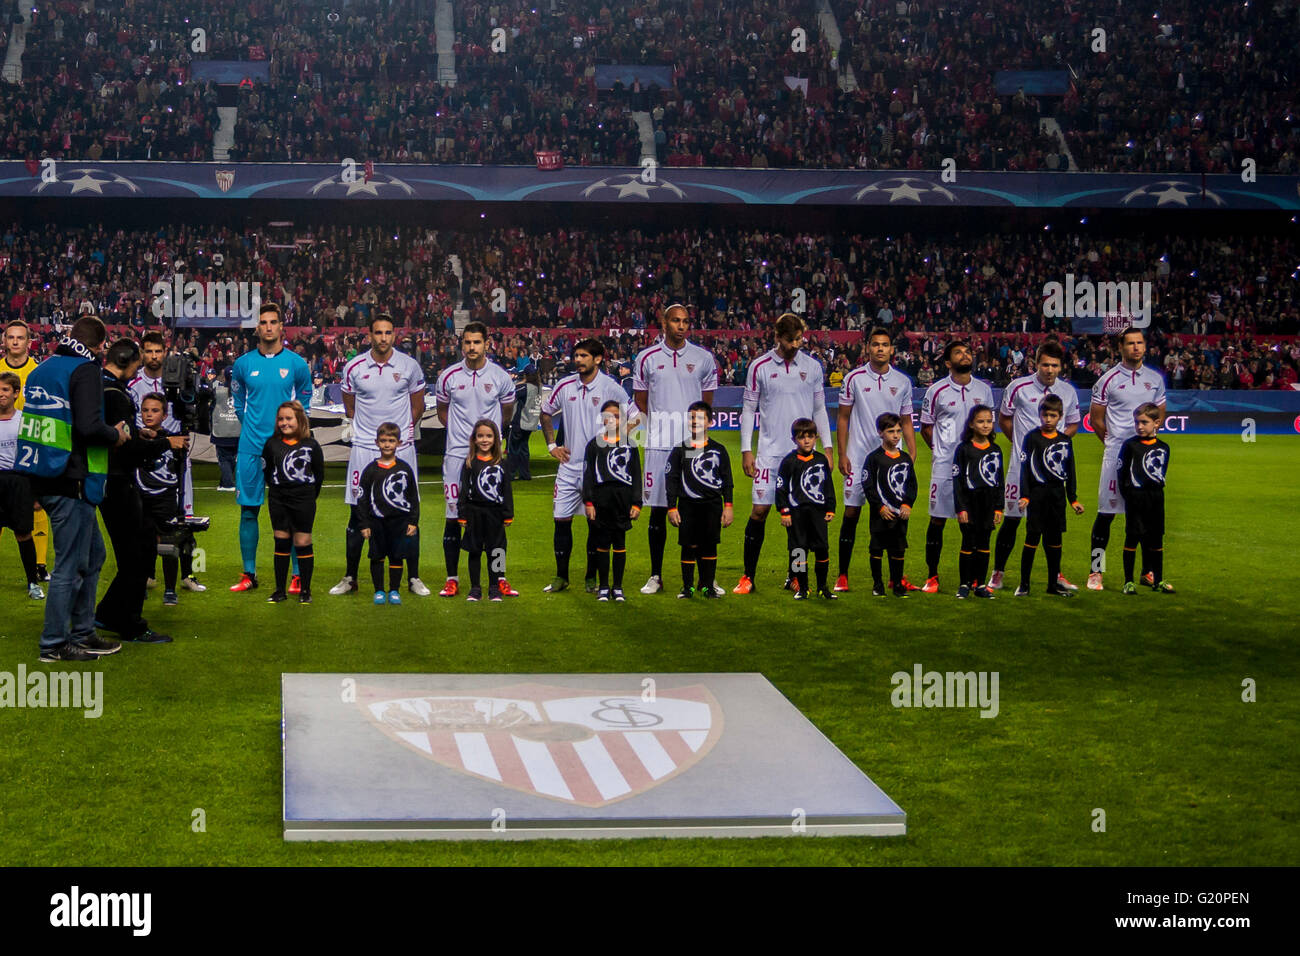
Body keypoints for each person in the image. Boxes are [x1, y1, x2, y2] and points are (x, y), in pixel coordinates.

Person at [15, 316, 129, 661]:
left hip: (44, 474)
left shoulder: (42, 369)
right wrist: (117, 434)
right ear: (100, 345)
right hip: (71, 478)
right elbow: (89, 426)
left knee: (93, 555)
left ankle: (82, 632)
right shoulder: (85, 370)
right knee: (69, 564)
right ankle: (54, 643)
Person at [331, 314, 428, 597]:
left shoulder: (410, 366)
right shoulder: (354, 367)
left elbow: (418, 406)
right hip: (364, 449)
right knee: (357, 513)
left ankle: (414, 578)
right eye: (378, 333)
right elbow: (350, 406)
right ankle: (350, 577)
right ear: (369, 335)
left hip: (402, 449)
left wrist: (399, 439)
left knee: (408, 512)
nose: (383, 338)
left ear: (394, 335)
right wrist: (365, 434)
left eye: (388, 332)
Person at [735, 313, 832, 594]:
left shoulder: (813, 367)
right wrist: (746, 449)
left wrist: (826, 447)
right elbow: (748, 409)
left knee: (799, 518)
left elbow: (819, 409)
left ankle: (794, 576)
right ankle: (748, 576)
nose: (795, 345)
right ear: (777, 337)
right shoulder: (759, 366)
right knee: (760, 511)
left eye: (799, 339)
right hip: (769, 452)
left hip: (802, 456)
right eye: (790, 340)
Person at [95, 339, 181, 645]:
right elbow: (128, 450)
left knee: (141, 544)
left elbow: (120, 435)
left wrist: (137, 431)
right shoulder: (117, 394)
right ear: (129, 361)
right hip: (118, 482)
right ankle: (130, 624)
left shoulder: (98, 385)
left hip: (105, 480)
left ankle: (106, 612)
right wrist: (164, 443)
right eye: (137, 361)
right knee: (136, 555)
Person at [632, 303, 718, 595]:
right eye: (676, 321)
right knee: (657, 512)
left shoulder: (703, 358)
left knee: (698, 511)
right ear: (664, 322)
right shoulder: (646, 358)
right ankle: (655, 575)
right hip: (658, 444)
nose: (682, 326)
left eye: (685, 322)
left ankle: (706, 577)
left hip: (693, 446)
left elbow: (706, 403)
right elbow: (641, 400)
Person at [229, 303, 312, 593]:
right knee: (249, 510)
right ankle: (249, 574)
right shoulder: (243, 364)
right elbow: (238, 401)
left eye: (273, 322)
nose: (267, 327)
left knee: (290, 513)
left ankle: (297, 575)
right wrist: (249, 425)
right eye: (262, 322)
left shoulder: (296, 364)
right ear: (257, 328)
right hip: (251, 447)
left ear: (281, 327)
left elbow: (305, 397)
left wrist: (293, 429)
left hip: (287, 450)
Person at [539, 338, 633, 593]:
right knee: (561, 521)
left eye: (583, 356)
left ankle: (591, 577)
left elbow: (634, 416)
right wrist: (551, 445)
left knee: (596, 524)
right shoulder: (565, 385)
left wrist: (614, 443)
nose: (577, 360)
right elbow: (545, 411)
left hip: (598, 470)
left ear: (598, 359)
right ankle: (561, 576)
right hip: (569, 466)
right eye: (576, 356)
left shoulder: (611, 388)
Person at [990, 340, 1080, 591]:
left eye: (1054, 365)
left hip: (1051, 475)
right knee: (1011, 520)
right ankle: (998, 572)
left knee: (1052, 526)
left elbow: (1072, 424)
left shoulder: (1068, 392)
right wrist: (1025, 448)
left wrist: (1053, 448)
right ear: (1035, 364)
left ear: (1061, 366)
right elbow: (1005, 420)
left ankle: (1056, 574)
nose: (1050, 370)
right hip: (1020, 470)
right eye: (1045, 365)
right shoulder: (1017, 387)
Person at [433, 322, 513, 598]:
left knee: (497, 522)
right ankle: (452, 577)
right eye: (467, 342)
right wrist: (460, 439)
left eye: (476, 342)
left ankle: (499, 576)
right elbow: (443, 411)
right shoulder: (448, 377)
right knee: (454, 517)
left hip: (491, 458)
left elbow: (507, 413)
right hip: (457, 455)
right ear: (461, 344)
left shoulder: (501, 377)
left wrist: (490, 443)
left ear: (487, 344)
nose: (471, 347)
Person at [834, 327, 916, 592]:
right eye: (876, 344)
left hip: (892, 461)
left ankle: (893, 577)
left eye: (885, 345)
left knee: (894, 517)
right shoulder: (853, 378)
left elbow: (906, 420)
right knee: (852, 512)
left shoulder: (903, 381)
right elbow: (843, 417)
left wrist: (911, 451)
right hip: (859, 457)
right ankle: (842, 575)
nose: (880, 349)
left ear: (892, 349)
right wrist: (842, 453)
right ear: (868, 348)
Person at [1086, 327, 1167, 591]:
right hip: (1116, 456)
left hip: (1145, 458)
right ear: (1120, 347)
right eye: (1130, 343)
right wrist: (1114, 445)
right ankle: (1096, 571)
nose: (1135, 347)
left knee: (1144, 518)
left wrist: (1142, 447)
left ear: (1145, 346)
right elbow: (1096, 419)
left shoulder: (1155, 380)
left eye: (1139, 342)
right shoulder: (1107, 379)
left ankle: (1147, 572)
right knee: (1106, 515)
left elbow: (1159, 416)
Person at [919, 340, 995, 593]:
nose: (965, 355)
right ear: (949, 362)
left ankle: (973, 578)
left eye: (968, 351)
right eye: (959, 353)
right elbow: (927, 427)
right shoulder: (936, 391)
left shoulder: (983, 390)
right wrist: (941, 451)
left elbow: (988, 426)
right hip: (943, 467)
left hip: (976, 468)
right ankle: (932, 576)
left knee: (971, 524)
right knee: (938, 520)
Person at [136, 393, 203, 606]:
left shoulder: (174, 440)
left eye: (155, 411)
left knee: (169, 545)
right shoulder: (136, 439)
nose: (149, 414)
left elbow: (180, 471)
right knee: (143, 545)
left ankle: (170, 590)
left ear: (165, 415)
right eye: (145, 410)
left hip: (165, 499)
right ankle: (142, 583)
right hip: (141, 499)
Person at [1015, 395, 1085, 597]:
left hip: (1056, 496)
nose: (1048, 419)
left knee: (1054, 542)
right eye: (1045, 415)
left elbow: (1070, 471)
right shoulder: (1032, 438)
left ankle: (1053, 585)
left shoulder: (1065, 441)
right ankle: (1024, 584)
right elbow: (1025, 469)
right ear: (1040, 415)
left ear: (1060, 417)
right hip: (1037, 496)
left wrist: (1073, 499)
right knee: (1032, 540)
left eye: (1052, 415)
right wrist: (1025, 495)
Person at [665, 400, 734, 600]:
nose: (695, 421)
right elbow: (672, 479)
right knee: (689, 546)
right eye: (692, 418)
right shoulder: (681, 449)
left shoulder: (719, 450)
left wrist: (728, 506)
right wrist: (672, 507)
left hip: (712, 505)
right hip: (687, 506)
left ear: (711, 422)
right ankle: (687, 588)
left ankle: (707, 587)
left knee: (709, 546)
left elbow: (727, 481)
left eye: (701, 418)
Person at [263, 401, 325, 604]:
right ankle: (280, 590)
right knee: (281, 539)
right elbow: (267, 471)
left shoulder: (311, 445)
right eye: (280, 419)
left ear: (300, 420)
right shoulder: (271, 444)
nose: (284, 423)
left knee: (302, 541)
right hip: (278, 498)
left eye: (289, 418)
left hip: (304, 499)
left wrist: (306, 496)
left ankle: (305, 590)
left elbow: (319, 474)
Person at [128, 331, 194, 516]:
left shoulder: (178, 379)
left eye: (158, 351)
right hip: (145, 453)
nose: (154, 356)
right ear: (142, 353)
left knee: (181, 514)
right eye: (149, 351)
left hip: (175, 451)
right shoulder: (133, 383)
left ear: (165, 352)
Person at [3, 320, 50, 580]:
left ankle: (40, 566)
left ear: (29, 341)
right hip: (2, 448)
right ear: (5, 341)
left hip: (31, 448)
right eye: (11, 337)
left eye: (20, 338)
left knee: (37, 506)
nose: (15, 342)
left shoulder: (39, 371)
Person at [582, 400, 642, 602]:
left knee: (619, 543)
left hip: (622, 502)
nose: (612, 419)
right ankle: (604, 586)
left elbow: (636, 476)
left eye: (616, 416)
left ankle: (618, 587)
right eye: (608, 415)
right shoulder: (594, 444)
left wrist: (636, 503)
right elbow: (588, 475)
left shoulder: (630, 444)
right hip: (601, 502)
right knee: (602, 543)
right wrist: (588, 502)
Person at [358, 421, 420, 605]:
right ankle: (379, 590)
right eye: (383, 440)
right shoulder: (370, 469)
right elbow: (362, 499)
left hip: (399, 522)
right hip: (377, 522)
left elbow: (413, 497)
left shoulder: (404, 469)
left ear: (399, 443)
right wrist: (364, 524)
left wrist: (413, 521)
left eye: (391, 440)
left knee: (396, 556)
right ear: (377, 442)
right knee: (377, 556)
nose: (387, 444)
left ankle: (394, 590)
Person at [776, 418, 837, 600]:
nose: (807, 441)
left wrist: (830, 507)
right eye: (802, 437)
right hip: (796, 514)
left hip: (817, 512)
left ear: (816, 438)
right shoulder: (788, 461)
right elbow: (781, 488)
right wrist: (784, 511)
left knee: (822, 549)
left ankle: (822, 588)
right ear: (794, 439)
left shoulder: (820, 460)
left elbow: (828, 485)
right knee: (798, 550)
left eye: (810, 437)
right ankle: (802, 588)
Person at [1117, 403, 1174, 594]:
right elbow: (1122, 473)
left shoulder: (1164, 447)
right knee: (1132, 537)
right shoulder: (1130, 445)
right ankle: (1128, 581)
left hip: (1156, 498)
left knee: (1156, 539)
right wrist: (1130, 495)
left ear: (1156, 423)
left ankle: (1158, 580)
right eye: (1137, 422)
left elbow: (1160, 473)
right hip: (1135, 497)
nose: (1139, 426)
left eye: (1144, 422)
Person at [863, 412, 919, 597]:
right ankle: (877, 584)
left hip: (899, 513)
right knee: (877, 548)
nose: (895, 435)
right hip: (881, 513)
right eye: (890, 431)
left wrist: (907, 504)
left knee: (898, 549)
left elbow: (912, 484)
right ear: (880, 433)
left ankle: (897, 585)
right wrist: (879, 507)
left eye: (898, 431)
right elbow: (868, 484)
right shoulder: (874, 458)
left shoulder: (904, 458)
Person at [459, 419, 514, 602]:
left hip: (495, 514)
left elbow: (507, 490)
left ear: (496, 439)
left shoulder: (502, 463)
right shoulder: (469, 463)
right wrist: (462, 513)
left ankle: (494, 587)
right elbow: (464, 490)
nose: (485, 440)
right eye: (480, 436)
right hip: (475, 513)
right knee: (475, 551)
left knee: (496, 551)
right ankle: (475, 588)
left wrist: (508, 513)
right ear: (474, 439)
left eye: (489, 436)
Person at [952, 405, 1003, 599]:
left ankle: (980, 584)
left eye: (989, 421)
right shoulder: (964, 449)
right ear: (972, 424)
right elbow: (957, 480)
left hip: (988, 503)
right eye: (981, 421)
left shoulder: (996, 450)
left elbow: (999, 480)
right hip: (969, 503)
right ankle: (964, 584)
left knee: (984, 543)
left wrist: (999, 507)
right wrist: (961, 508)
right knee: (968, 543)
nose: (985, 425)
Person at [0, 372, 42, 598]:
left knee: (23, 533)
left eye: (5, 390)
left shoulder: (24, 420)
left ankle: (33, 583)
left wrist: (35, 492)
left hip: (19, 482)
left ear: (16, 393)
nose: (0, 394)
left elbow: (34, 455)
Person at [507, 364, 541, 481]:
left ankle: (510, 474)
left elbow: (510, 394)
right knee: (524, 449)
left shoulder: (524, 387)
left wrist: (520, 382)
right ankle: (525, 474)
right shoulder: (538, 387)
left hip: (519, 422)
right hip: (531, 422)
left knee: (513, 449)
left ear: (525, 375)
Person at [210, 367, 240, 491]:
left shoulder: (218, 391)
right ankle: (224, 482)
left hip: (221, 430)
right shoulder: (242, 392)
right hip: (237, 430)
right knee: (232, 458)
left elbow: (211, 409)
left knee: (224, 458)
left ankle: (227, 484)